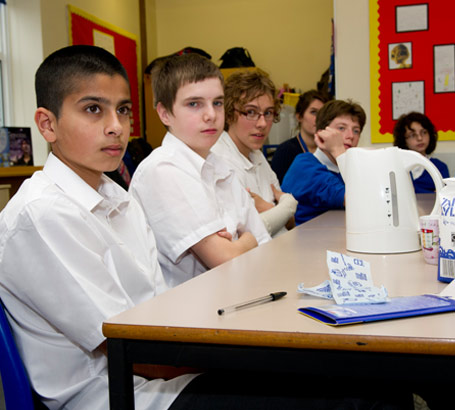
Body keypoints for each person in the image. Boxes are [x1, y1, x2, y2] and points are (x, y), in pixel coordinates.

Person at [129, 54, 271, 288]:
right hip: (187, 312)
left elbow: (263, 241)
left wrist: (242, 242)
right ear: (164, 113)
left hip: (235, 292)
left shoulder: (218, 165)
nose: (211, 115)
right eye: (194, 104)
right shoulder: (163, 170)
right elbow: (226, 258)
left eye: (217, 103)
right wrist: (247, 240)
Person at [211, 71, 297, 237]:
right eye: (250, 112)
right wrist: (288, 204)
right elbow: (245, 236)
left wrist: (271, 209)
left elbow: (290, 222)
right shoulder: (219, 161)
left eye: (268, 113)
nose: (263, 123)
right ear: (228, 114)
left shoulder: (256, 154)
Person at [282, 99, 366, 224]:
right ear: (321, 133)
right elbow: (356, 200)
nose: (351, 136)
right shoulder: (305, 165)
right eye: (342, 128)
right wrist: (338, 150)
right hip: (306, 241)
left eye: (356, 130)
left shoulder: (346, 169)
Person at [271, 89, 330, 183]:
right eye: (313, 112)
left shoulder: (330, 150)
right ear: (299, 117)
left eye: (323, 113)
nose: (319, 118)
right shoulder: (285, 151)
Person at [393, 111, 449, 193]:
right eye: (412, 135)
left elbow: (443, 198)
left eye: (424, 132)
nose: (419, 138)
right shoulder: (396, 168)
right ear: (403, 140)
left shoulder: (440, 167)